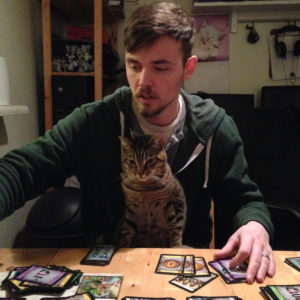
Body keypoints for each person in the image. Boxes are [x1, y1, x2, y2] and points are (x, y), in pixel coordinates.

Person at [0, 2, 275, 283]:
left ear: (188, 68)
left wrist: (255, 225)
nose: (143, 81)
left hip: (183, 271)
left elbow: (245, 200)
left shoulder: (217, 128)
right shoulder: (95, 120)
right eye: (134, 65)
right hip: (109, 271)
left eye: (160, 67)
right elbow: (24, 167)